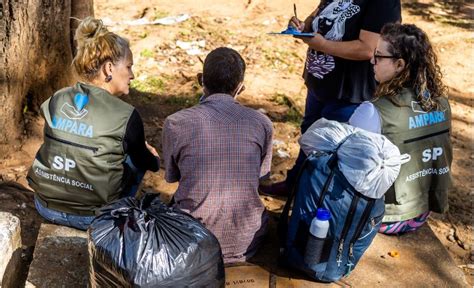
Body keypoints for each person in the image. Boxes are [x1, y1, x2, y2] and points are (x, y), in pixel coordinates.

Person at [27, 17, 159, 230]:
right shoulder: (126, 115)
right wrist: (151, 157)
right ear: (109, 69)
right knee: (135, 159)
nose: (132, 75)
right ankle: (119, 217)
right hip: (92, 218)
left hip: (45, 205)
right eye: (128, 66)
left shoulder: (58, 98)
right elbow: (148, 163)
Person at [260, 0, 402, 195]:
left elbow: (368, 48)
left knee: (333, 150)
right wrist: (304, 26)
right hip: (320, 81)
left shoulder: (384, 4)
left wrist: (323, 44)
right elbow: (319, 16)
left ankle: (318, 203)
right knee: (310, 134)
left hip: (350, 91)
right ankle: (296, 184)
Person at [162, 47, 273, 264]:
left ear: (200, 79)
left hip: (192, 240)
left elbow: (172, 177)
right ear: (241, 87)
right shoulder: (262, 124)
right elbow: (261, 178)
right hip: (245, 242)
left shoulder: (175, 123)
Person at [348, 23, 452, 234]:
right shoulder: (442, 103)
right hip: (421, 213)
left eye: (378, 56)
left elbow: (350, 164)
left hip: (386, 217)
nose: (372, 61)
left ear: (399, 65)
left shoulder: (372, 111)